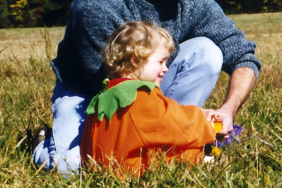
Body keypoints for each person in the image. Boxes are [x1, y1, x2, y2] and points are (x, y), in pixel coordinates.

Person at [32, 0, 261, 173]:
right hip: (93, 93)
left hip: (154, 88)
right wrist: (193, 123)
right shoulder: (100, 2)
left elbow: (244, 56)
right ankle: (44, 143)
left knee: (207, 52)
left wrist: (228, 110)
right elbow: (115, 92)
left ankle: (173, 142)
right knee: (75, 167)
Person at [81, 21, 218, 176]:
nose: (166, 68)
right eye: (161, 62)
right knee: (189, 148)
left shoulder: (105, 94)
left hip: (104, 171)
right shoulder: (140, 94)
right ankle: (203, 159)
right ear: (136, 61)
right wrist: (206, 123)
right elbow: (176, 126)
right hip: (132, 172)